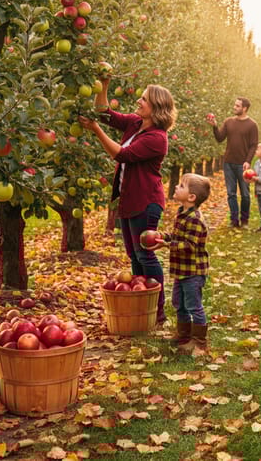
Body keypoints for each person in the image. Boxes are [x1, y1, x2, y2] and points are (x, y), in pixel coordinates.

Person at [79, 81, 175, 328]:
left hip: (146, 203)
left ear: (156, 107)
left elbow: (123, 154)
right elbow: (105, 113)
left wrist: (95, 130)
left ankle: (157, 311)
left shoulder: (157, 138)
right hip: (130, 201)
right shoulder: (135, 123)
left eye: (144, 99)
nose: (138, 101)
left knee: (146, 255)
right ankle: (143, 305)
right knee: (134, 256)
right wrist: (104, 85)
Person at [145, 173, 212, 353]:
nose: (176, 187)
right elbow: (177, 236)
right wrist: (163, 236)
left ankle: (199, 342)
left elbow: (189, 245)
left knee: (193, 306)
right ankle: (183, 335)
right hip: (181, 270)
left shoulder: (196, 219)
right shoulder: (182, 212)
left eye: (181, 185)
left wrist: (167, 245)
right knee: (178, 302)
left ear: (191, 197)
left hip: (193, 272)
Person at [206, 98, 259, 227]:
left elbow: (253, 145)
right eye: (235, 105)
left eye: (237, 105)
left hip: (243, 164)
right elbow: (219, 138)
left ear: (244, 108)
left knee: (245, 194)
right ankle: (234, 220)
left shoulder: (252, 125)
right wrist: (214, 127)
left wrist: (248, 161)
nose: (234, 107)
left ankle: (244, 220)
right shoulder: (228, 122)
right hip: (228, 162)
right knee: (231, 193)